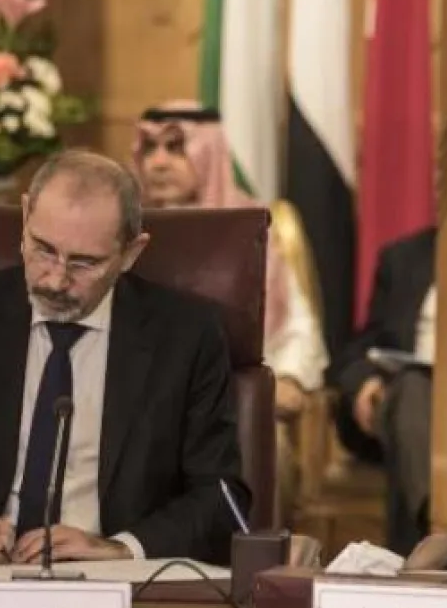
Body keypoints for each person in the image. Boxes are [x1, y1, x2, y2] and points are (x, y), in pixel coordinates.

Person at [0, 150, 247, 565]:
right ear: (24, 217)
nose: (55, 279)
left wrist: (122, 548)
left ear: (131, 253)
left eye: (84, 262)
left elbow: (221, 497)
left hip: (114, 585)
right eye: (43, 249)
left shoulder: (186, 336)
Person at [132, 102, 328, 421]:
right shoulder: (122, 229)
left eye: (176, 148)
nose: (158, 163)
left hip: (233, 399)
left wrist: (289, 378)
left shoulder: (250, 227)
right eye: (150, 148)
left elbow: (297, 327)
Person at [333, 226, 435, 554]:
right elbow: (362, 345)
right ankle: (433, 525)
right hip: (411, 397)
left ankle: (430, 543)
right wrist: (365, 380)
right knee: (412, 389)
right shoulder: (404, 257)